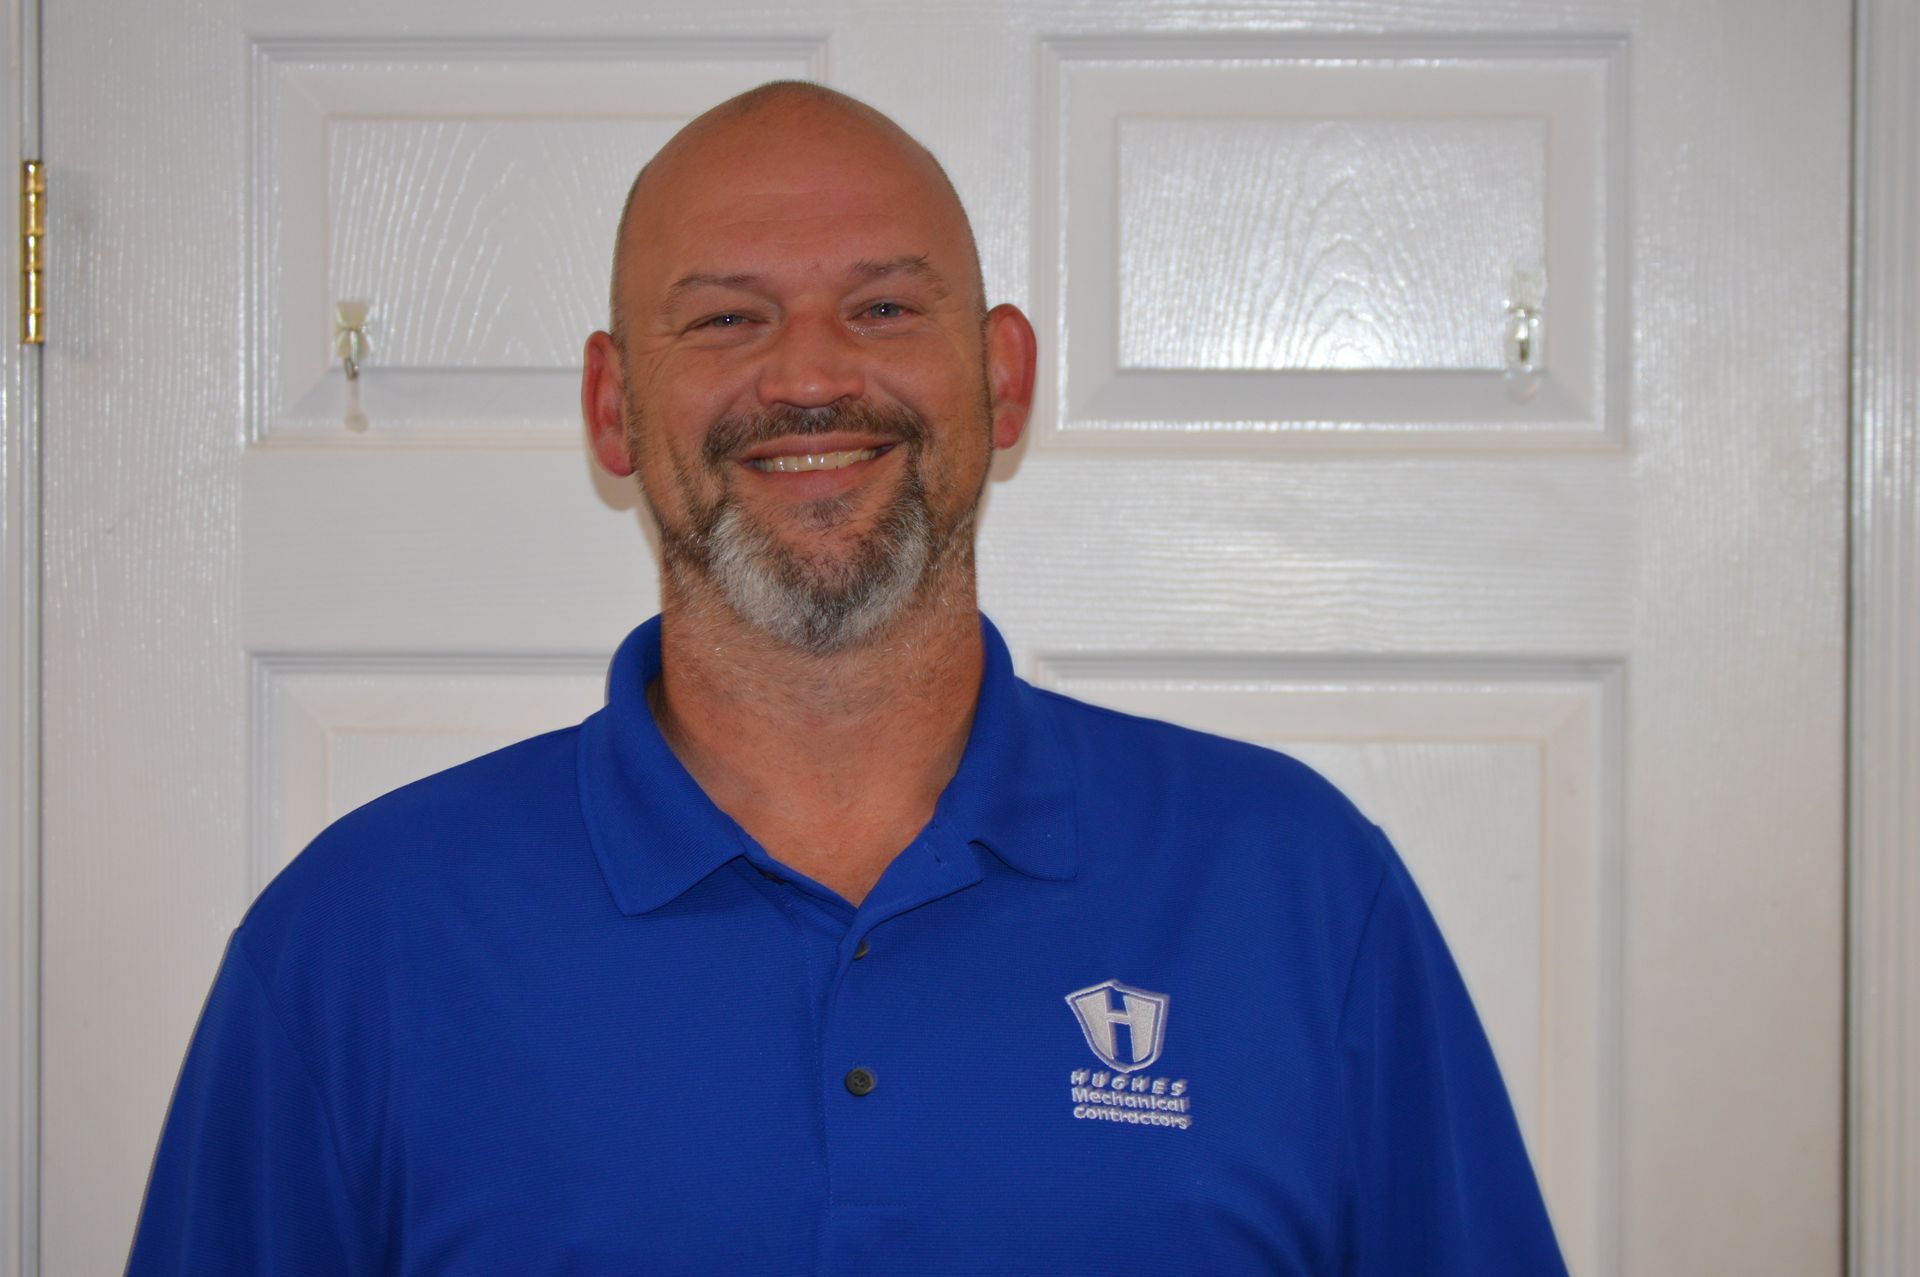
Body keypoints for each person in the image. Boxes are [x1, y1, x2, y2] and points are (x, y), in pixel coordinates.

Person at [128, 82, 1567, 1274]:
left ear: (1002, 381)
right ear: (612, 407)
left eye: (883, 309)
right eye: (723, 319)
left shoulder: (1295, 889)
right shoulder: (355, 943)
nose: (808, 374)